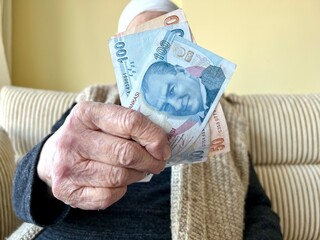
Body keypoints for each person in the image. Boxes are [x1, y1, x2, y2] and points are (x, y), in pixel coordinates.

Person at [12, 0, 283, 239]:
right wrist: (46, 166)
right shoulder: (90, 102)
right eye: (141, 44)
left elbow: (257, 207)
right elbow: (23, 198)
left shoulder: (225, 121)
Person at [141, 61, 225, 120]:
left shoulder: (221, 79)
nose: (177, 106)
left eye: (171, 91)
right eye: (166, 106)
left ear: (182, 71)